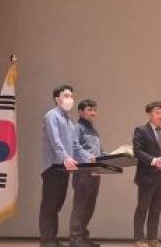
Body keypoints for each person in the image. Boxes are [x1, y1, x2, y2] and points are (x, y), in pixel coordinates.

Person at [40, 85, 93, 247]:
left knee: (57, 205)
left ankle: (52, 239)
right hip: (53, 168)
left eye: (72, 96)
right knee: (49, 205)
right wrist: (65, 158)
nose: (70, 99)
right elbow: (55, 142)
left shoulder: (68, 121)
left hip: (63, 169)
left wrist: (90, 158)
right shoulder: (52, 116)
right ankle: (46, 240)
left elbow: (76, 146)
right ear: (57, 99)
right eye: (67, 95)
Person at [133, 101, 161, 247]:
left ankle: (152, 238)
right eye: (157, 113)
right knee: (142, 208)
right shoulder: (141, 130)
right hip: (147, 177)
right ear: (149, 114)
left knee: (156, 209)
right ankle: (139, 239)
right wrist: (153, 160)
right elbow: (137, 151)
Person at [70, 99, 104, 247]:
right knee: (80, 207)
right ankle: (75, 240)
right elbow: (74, 148)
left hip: (95, 173)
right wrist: (89, 157)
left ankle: (83, 237)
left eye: (95, 110)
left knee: (89, 207)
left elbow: (99, 152)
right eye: (89, 110)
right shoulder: (77, 128)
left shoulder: (93, 130)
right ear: (80, 112)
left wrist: (115, 155)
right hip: (83, 173)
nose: (93, 113)